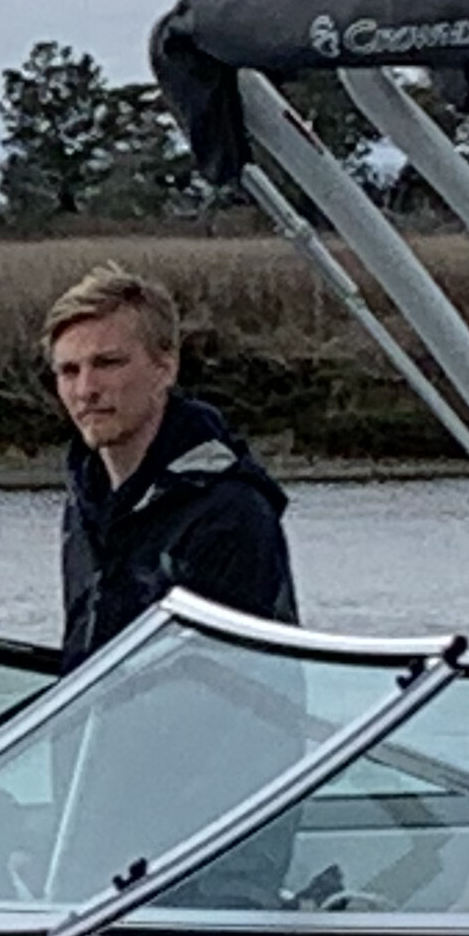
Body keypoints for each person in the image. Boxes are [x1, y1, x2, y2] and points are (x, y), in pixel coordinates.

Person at [43, 263, 293, 660]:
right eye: (69, 371)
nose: (86, 389)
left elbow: (245, 683)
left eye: (108, 363)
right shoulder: (85, 502)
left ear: (165, 368)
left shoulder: (230, 511)